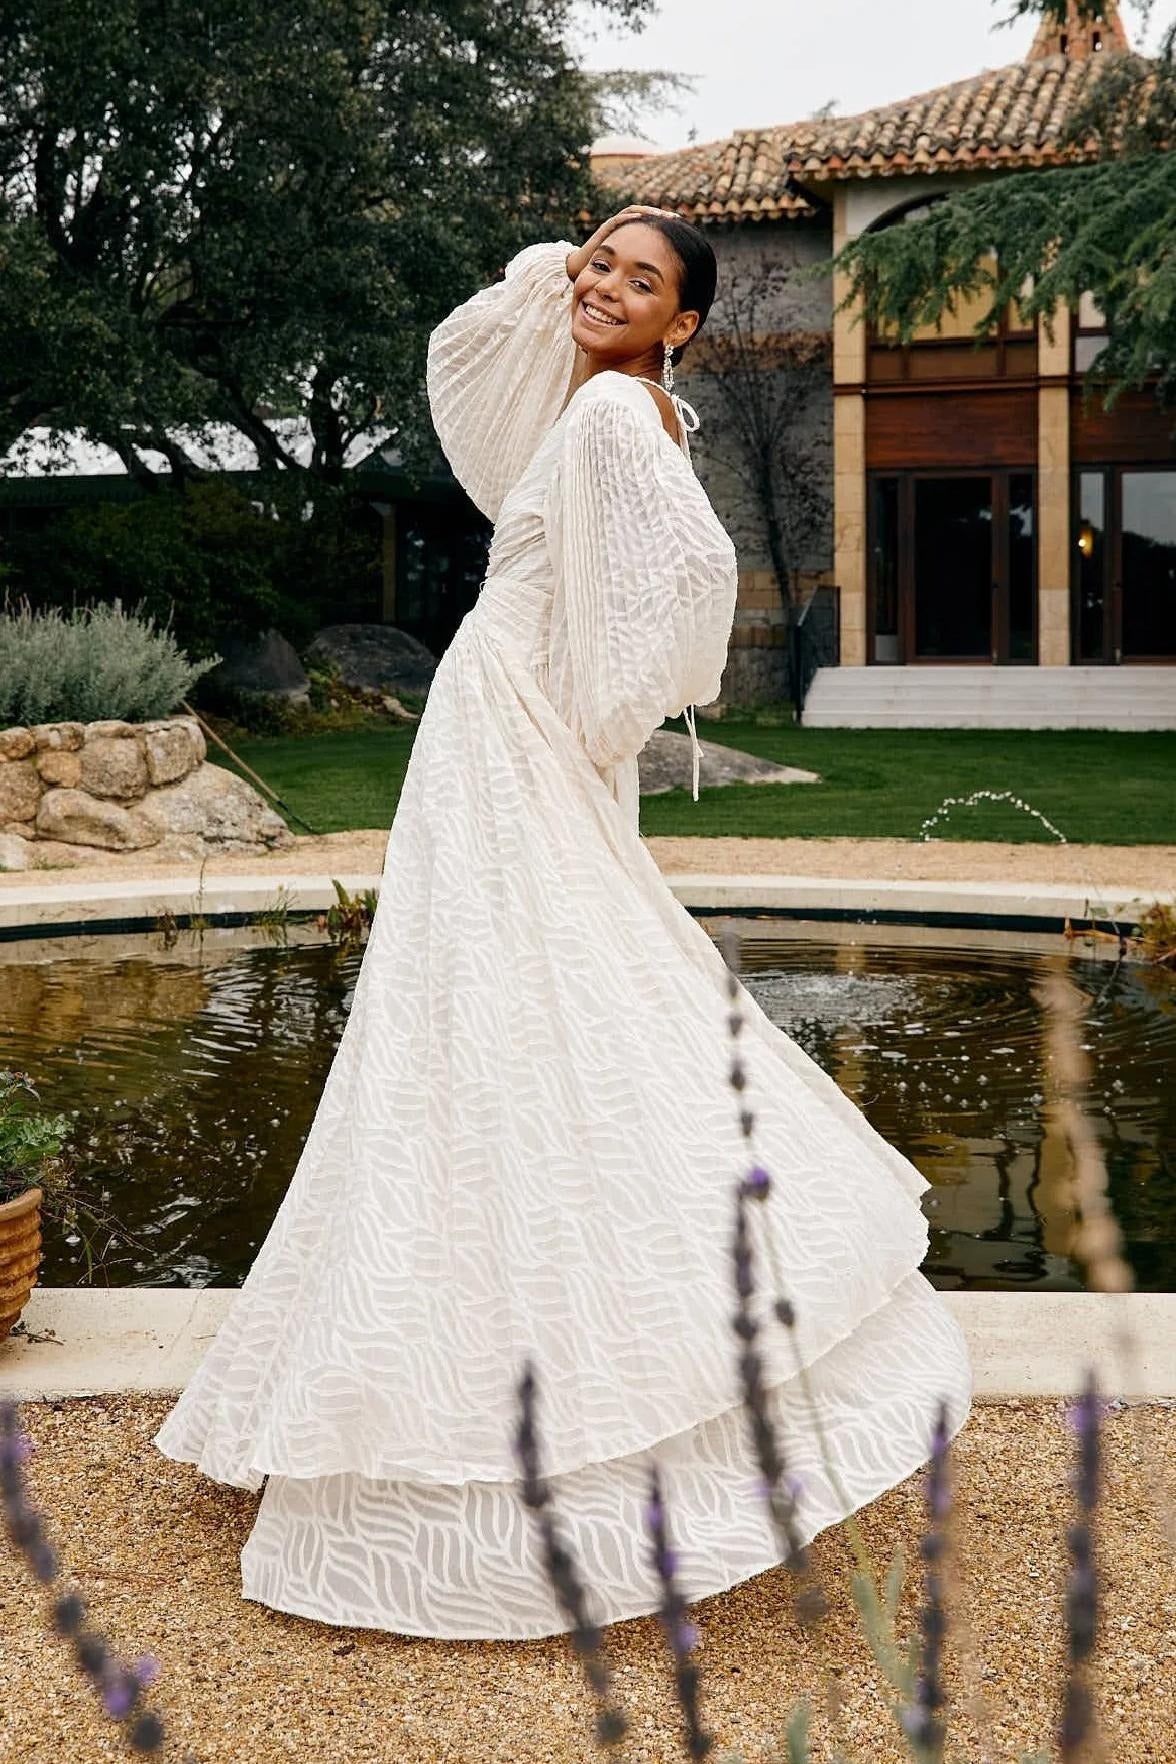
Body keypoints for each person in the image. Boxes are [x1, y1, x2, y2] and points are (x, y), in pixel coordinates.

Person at [152, 205, 973, 1640]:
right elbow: (476, 342)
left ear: (686, 323)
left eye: (641, 279)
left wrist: (602, 713)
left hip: (511, 725)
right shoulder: (602, 395)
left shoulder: (615, 418)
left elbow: (694, 581)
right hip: (498, 722)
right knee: (488, 1015)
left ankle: (552, 1400)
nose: (599, 284)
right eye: (597, 259)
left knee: (510, 1015)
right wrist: (575, 270)